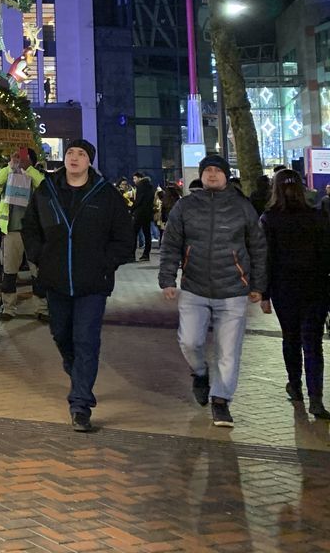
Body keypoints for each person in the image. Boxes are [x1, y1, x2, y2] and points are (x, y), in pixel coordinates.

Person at [22, 139, 133, 432]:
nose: (74, 158)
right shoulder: (47, 191)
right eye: (70, 153)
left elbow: (124, 237)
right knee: (61, 334)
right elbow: (30, 227)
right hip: (56, 280)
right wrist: (39, 257)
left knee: (86, 339)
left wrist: (104, 263)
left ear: (89, 161)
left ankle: (80, 403)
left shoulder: (106, 195)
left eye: (81, 154)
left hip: (92, 284)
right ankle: (77, 373)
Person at [159, 153, 267, 429]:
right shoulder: (185, 207)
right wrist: (168, 279)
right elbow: (171, 244)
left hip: (233, 290)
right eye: (207, 170)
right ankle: (200, 373)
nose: (212, 174)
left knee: (228, 350)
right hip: (194, 288)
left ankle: (221, 400)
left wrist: (258, 286)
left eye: (217, 171)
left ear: (226, 175)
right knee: (190, 342)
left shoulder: (242, 207)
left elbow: (257, 247)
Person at [259, 169, 330, 418]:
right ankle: (316, 398)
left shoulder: (269, 218)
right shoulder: (318, 216)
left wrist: (264, 293)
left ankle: (295, 386)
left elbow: (266, 258)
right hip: (316, 287)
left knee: (291, 338)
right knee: (313, 343)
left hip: (284, 287)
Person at [0, 148, 47, 320]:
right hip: (11, 230)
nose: (19, 161)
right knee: (9, 272)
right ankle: (8, 308)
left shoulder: (35, 176)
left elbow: (44, 188)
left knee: (37, 273)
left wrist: (29, 169)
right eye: (16, 158)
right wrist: (9, 168)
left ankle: (42, 309)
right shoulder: (8, 175)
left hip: (33, 232)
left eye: (23, 158)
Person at [132, 172, 156, 261]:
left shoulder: (140, 186)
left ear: (139, 178)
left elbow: (138, 200)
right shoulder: (150, 186)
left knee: (133, 233)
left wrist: (132, 208)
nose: (134, 181)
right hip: (148, 213)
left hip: (140, 213)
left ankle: (131, 255)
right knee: (147, 234)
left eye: (134, 178)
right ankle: (146, 255)